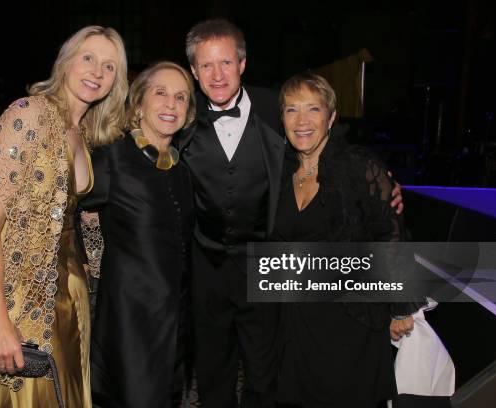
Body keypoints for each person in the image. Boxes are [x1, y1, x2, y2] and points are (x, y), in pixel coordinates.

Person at [177, 19, 404, 407]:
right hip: (207, 271)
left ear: (243, 63)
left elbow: (355, 188)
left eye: (226, 63)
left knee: (267, 375)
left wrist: (384, 187)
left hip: (271, 274)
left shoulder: (274, 107)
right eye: (206, 65)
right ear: (194, 72)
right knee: (214, 374)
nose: (217, 75)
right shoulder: (178, 116)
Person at [0, 25, 128, 408]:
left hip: (68, 293)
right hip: (21, 294)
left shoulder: (80, 130)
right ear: (66, 61)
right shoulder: (29, 114)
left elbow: (73, 213)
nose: (96, 72)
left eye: (109, 66)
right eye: (88, 58)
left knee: (64, 394)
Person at [271, 72, 419, 407]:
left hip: (351, 320)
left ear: (332, 116)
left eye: (313, 109)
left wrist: (400, 308)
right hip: (298, 322)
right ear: (282, 118)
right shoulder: (279, 173)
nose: (302, 121)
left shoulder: (358, 165)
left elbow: (390, 235)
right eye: (291, 110)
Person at [78, 61, 196, 408]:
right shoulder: (113, 157)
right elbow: (64, 206)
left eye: (181, 97)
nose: (171, 104)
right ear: (139, 103)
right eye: (160, 93)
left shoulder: (180, 169)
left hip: (176, 319)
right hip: (131, 320)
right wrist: (81, 263)